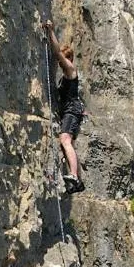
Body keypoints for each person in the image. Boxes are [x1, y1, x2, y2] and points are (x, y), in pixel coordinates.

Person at [42, 20, 86, 194]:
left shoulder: (71, 70)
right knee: (69, 145)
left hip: (72, 111)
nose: (61, 63)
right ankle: (78, 181)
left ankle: (74, 176)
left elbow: (57, 53)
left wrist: (51, 31)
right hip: (72, 111)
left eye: (64, 60)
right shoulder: (66, 76)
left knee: (65, 141)